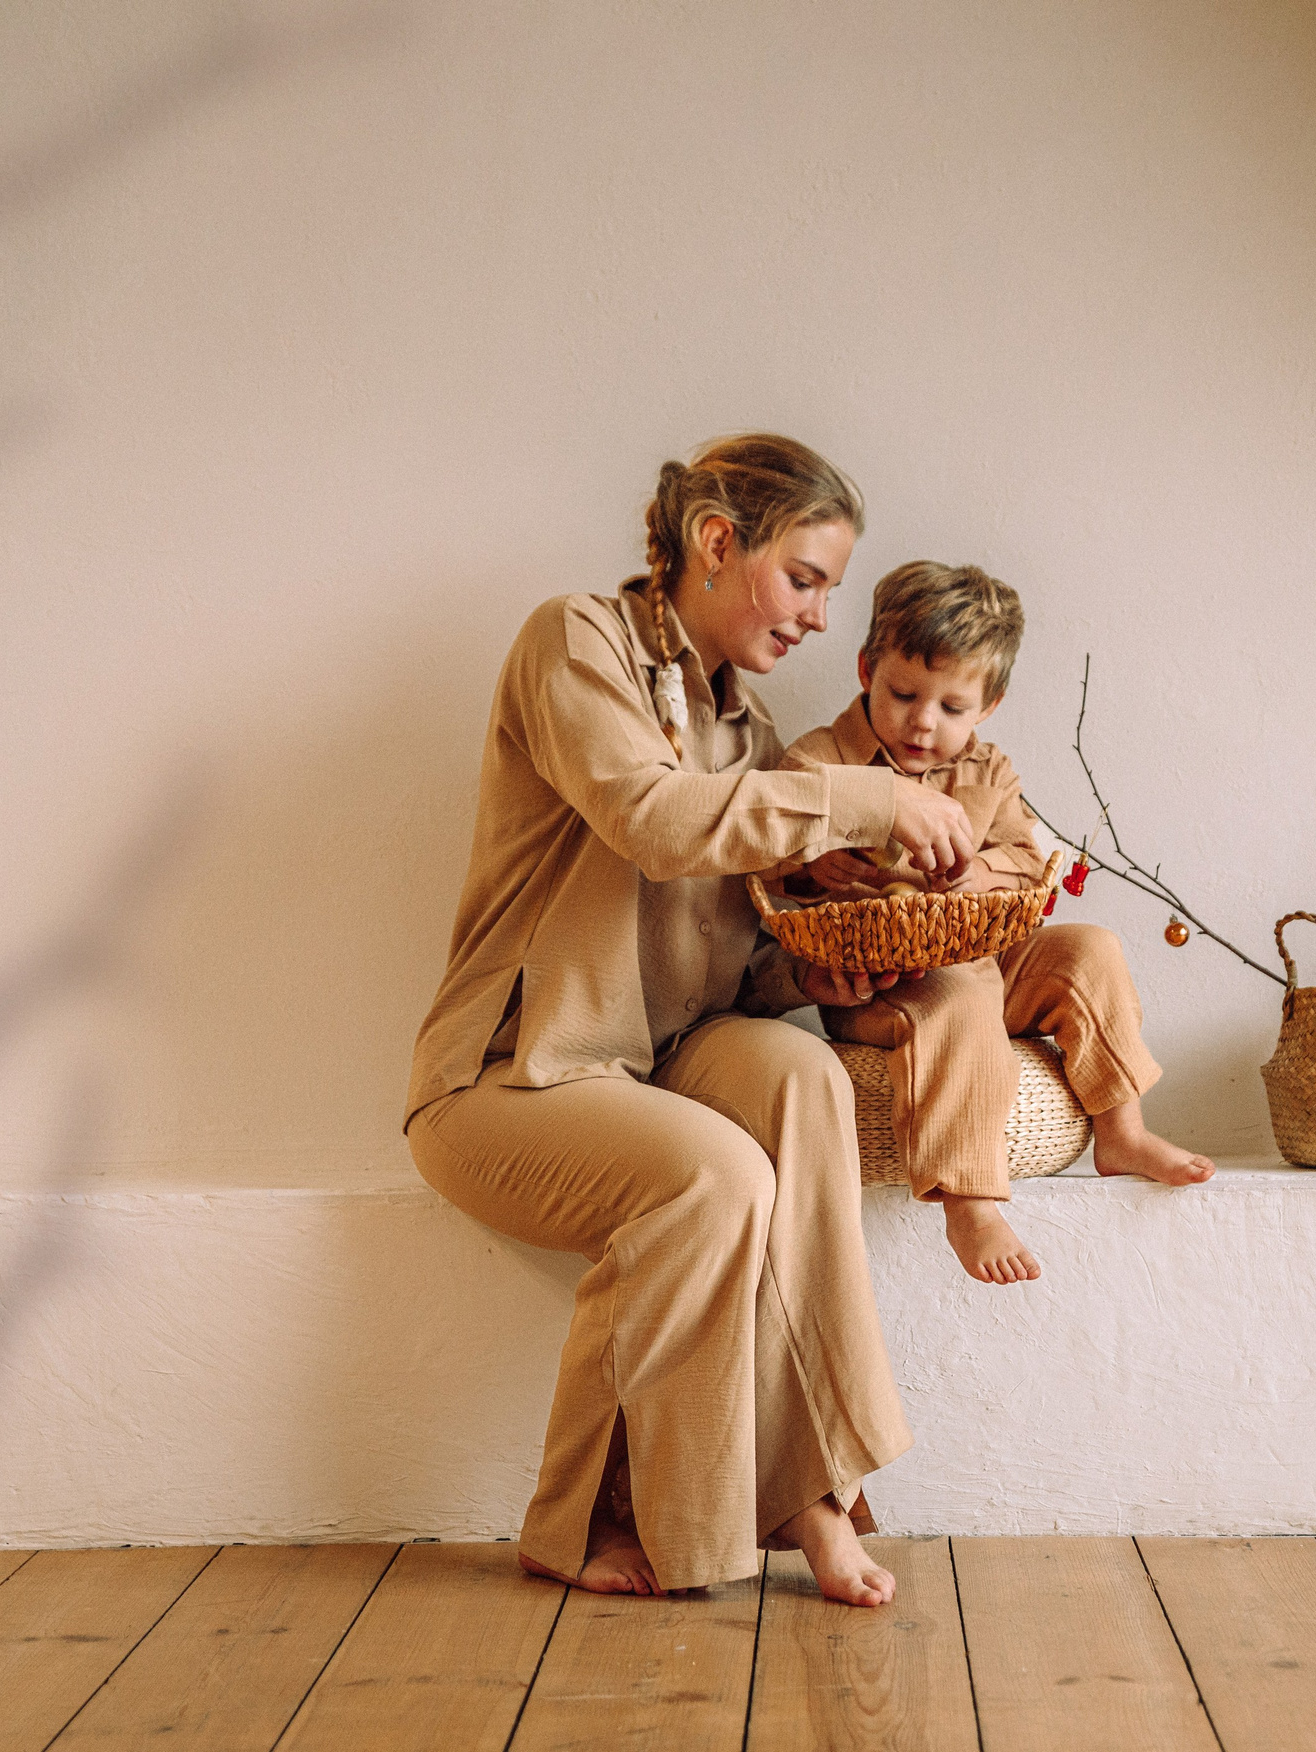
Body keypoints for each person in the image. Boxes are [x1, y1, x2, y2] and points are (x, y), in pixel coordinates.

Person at [404, 435, 982, 1607]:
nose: (821, 616)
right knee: (714, 1177)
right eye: (807, 576)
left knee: (800, 1079)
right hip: (512, 1078)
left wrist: (824, 975)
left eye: (828, 587)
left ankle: (809, 1495)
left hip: (653, 1062)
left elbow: (731, 963)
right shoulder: (575, 642)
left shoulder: (747, 734)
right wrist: (869, 793)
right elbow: (654, 821)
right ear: (716, 542)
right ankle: (584, 1516)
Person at [773, 560, 1216, 1285]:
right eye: (904, 694)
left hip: (986, 954)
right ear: (865, 670)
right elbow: (772, 848)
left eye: (952, 707)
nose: (923, 721)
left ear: (990, 704)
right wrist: (814, 863)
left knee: (1089, 949)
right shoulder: (820, 760)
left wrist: (979, 871)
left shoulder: (989, 770)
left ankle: (1122, 1131)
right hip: (887, 982)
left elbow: (1026, 856)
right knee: (959, 996)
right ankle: (970, 1199)